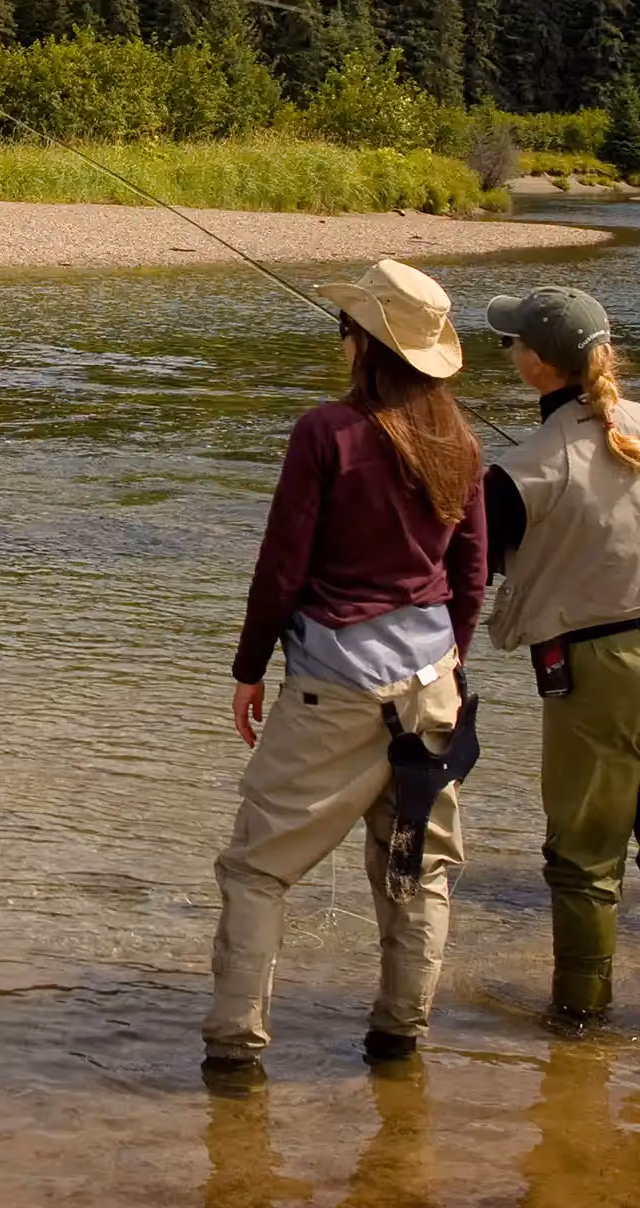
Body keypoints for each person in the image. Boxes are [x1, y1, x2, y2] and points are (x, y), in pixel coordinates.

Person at [203, 259, 487, 1079]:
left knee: (257, 869)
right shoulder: (460, 442)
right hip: (431, 685)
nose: (341, 342)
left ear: (364, 344)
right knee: (418, 871)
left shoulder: (326, 433)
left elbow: (281, 566)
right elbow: (472, 574)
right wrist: (451, 665)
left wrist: (248, 667)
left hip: (335, 686)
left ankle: (233, 1053)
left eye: (347, 329)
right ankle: (400, 1043)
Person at [481, 285, 640, 1043]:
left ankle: (579, 1018)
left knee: (584, 857)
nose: (508, 352)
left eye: (510, 343)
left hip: (601, 669)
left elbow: (473, 570)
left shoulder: (520, 470)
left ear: (534, 366)